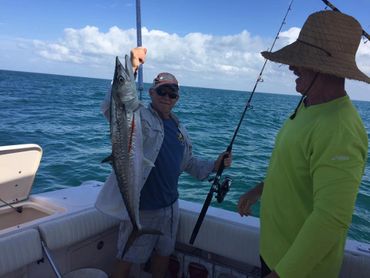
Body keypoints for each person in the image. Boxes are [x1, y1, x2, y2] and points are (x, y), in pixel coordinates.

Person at [237, 10, 369, 278]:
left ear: (324, 67)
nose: (291, 66)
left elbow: (330, 219)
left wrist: (281, 274)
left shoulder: (340, 128)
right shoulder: (307, 106)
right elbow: (294, 166)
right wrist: (259, 190)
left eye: (300, 61)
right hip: (274, 255)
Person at [96, 47, 232, 278]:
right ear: (150, 93)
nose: (167, 97)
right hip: (142, 208)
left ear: (177, 98)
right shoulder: (138, 116)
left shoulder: (180, 129)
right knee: (126, 259)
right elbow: (113, 108)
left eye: (173, 93)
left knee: (164, 254)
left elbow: (190, 165)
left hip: (170, 207)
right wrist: (132, 67)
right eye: (162, 91)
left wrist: (215, 164)